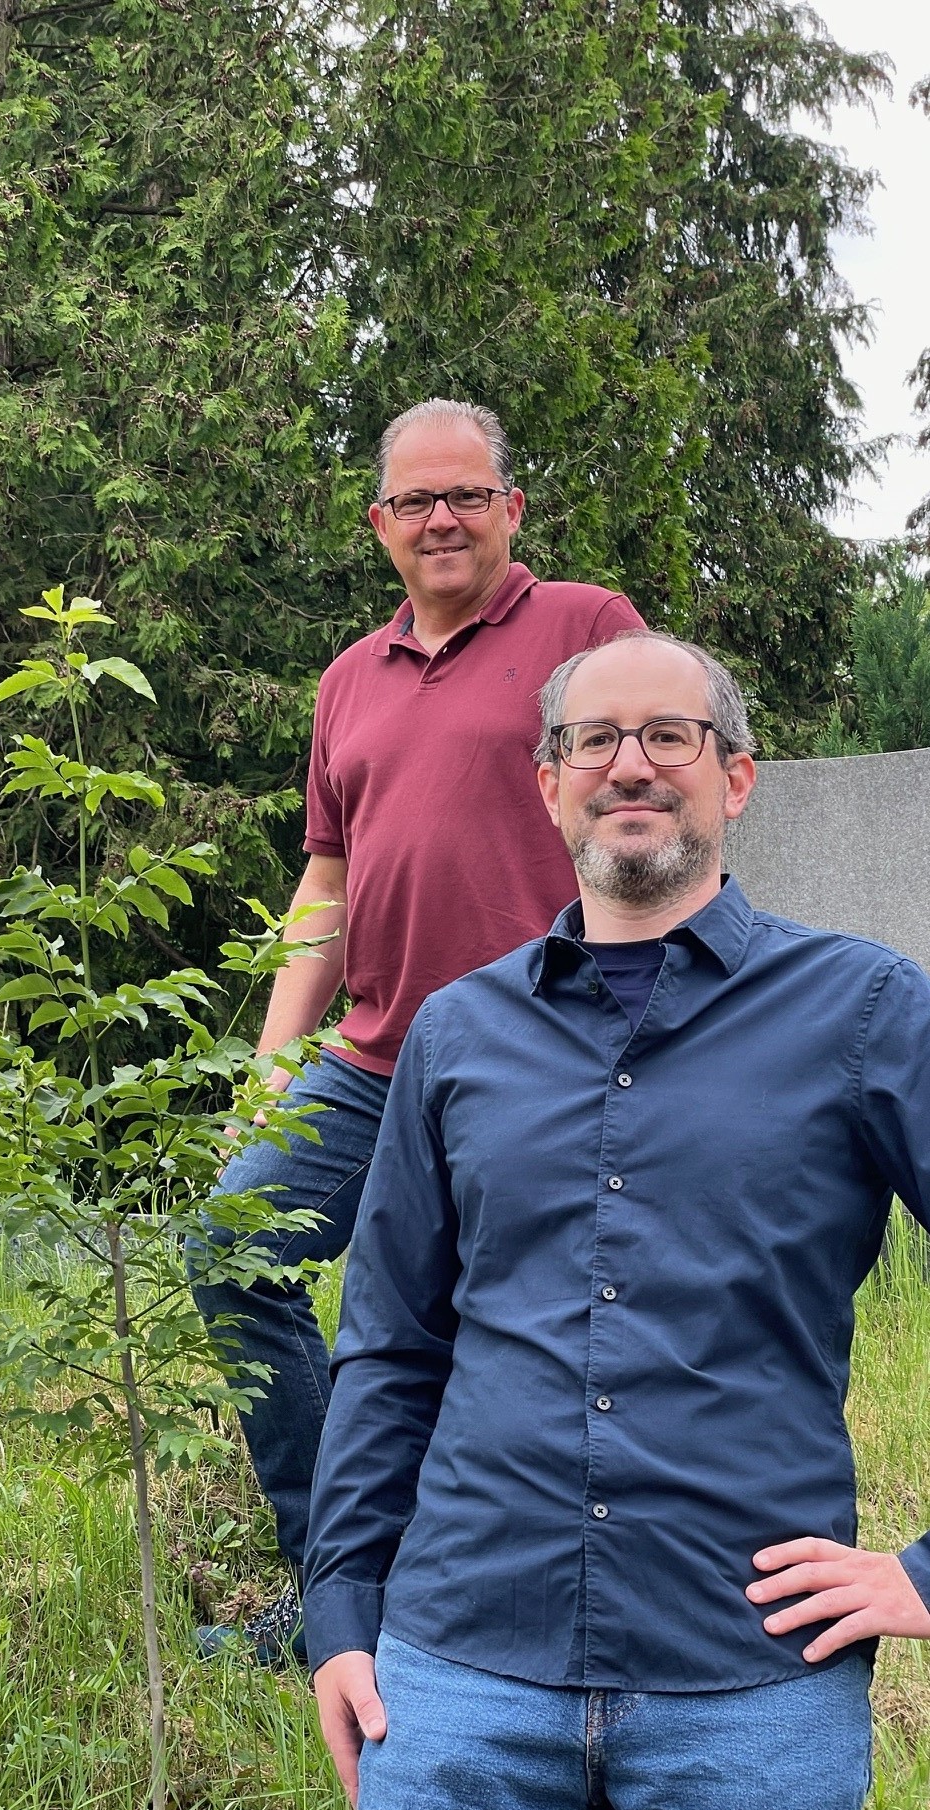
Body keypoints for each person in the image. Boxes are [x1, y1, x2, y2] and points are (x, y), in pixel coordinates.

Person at [305, 629, 930, 1810]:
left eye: (669, 737)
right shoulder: (459, 1039)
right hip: (462, 1671)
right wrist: (342, 1609)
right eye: (593, 740)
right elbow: (392, 1343)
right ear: (549, 784)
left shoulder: (867, 1011)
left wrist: (927, 1574)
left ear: (738, 776)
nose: (629, 765)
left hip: (751, 1678)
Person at [188, 398, 643, 1663]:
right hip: (375, 1059)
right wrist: (275, 1061)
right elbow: (325, 886)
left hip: (547, 1057)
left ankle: (490, 1604)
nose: (442, 518)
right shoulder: (349, 679)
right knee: (230, 1250)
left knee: (476, 1337)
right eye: (415, 500)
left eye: (468, 494)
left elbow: (646, 802)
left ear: (513, 508)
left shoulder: (587, 630)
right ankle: (335, 1590)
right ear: (377, 523)